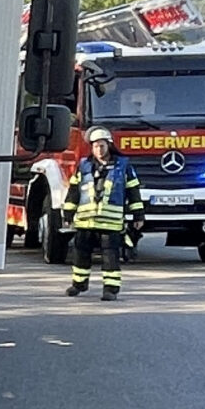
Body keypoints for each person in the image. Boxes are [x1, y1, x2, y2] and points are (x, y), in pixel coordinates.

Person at [66, 125, 144, 300]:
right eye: (95, 146)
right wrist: (68, 214)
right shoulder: (84, 166)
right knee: (80, 255)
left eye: (102, 146)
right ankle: (78, 284)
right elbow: (73, 191)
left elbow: (133, 191)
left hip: (111, 223)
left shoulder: (123, 167)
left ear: (109, 145)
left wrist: (138, 215)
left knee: (110, 258)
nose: (99, 150)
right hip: (86, 222)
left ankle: (110, 290)